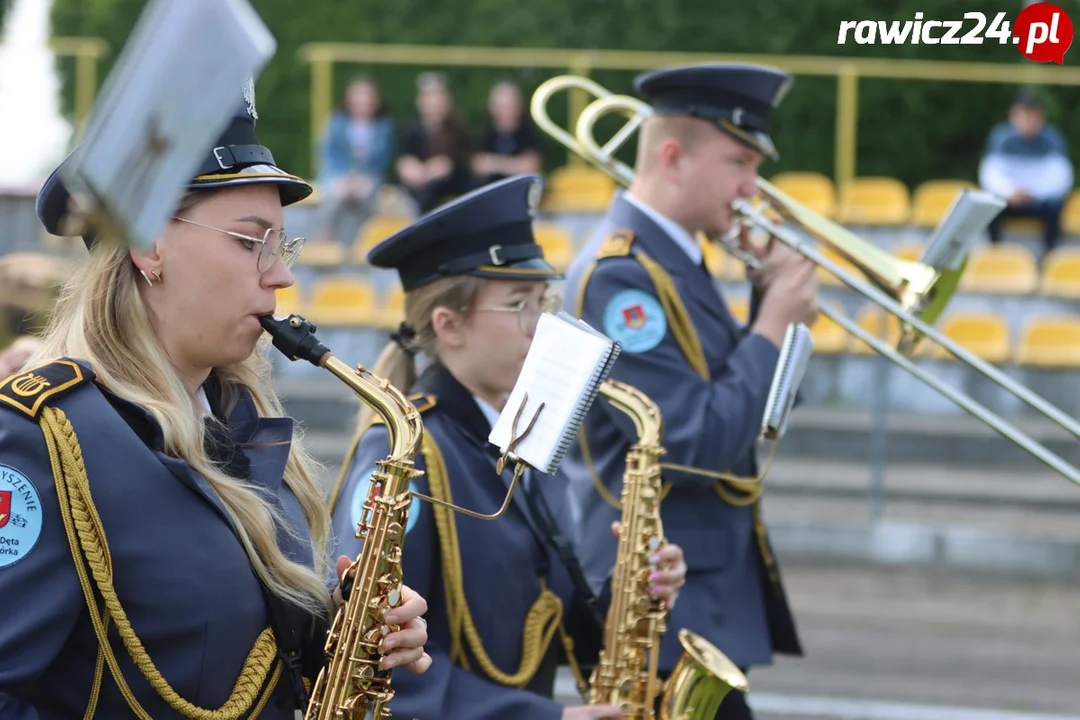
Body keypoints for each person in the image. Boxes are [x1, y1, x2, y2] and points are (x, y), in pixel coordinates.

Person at [0, 83, 431, 719]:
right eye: (249, 240)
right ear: (150, 245)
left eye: (282, 245)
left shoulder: (242, 426)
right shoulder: (44, 436)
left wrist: (342, 633)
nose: (281, 275)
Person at [330, 173, 689, 720]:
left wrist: (634, 594)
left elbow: (543, 615)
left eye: (544, 301)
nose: (542, 327)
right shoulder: (406, 459)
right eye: (520, 305)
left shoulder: (513, 441)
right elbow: (377, 661)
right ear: (449, 325)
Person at [560, 64, 819, 720]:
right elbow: (692, 444)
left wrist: (768, 301)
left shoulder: (674, 261)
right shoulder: (622, 274)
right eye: (738, 161)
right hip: (657, 610)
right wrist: (773, 324)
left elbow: (756, 412)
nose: (751, 187)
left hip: (695, 595)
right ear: (672, 157)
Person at [980, 88, 1074, 253]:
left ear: (1041, 115)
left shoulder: (1052, 139)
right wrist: (1010, 192)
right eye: (1023, 114)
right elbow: (990, 174)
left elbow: (1061, 177)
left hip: (1039, 201)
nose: (1027, 119)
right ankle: (994, 254)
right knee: (989, 207)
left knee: (1056, 207)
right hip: (1010, 199)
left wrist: (1033, 193)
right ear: (1013, 114)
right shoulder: (1001, 137)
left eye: (1032, 114)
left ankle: (1049, 256)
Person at [312, 74, 396, 246]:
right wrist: (346, 178)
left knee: (368, 195)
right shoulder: (337, 122)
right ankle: (324, 236)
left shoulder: (384, 126)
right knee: (336, 194)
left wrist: (361, 178)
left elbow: (382, 159)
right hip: (338, 173)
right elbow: (329, 153)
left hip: (369, 175)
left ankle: (364, 240)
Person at [395, 72, 474, 214]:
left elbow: (457, 164)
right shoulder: (410, 129)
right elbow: (404, 161)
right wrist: (420, 171)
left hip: (448, 191)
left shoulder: (457, 130)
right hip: (417, 190)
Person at [470, 80, 543, 189]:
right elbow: (477, 166)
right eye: (500, 106)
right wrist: (513, 165)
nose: (505, 111)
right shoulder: (483, 133)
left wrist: (494, 163)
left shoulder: (528, 132)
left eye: (509, 106)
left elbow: (530, 167)